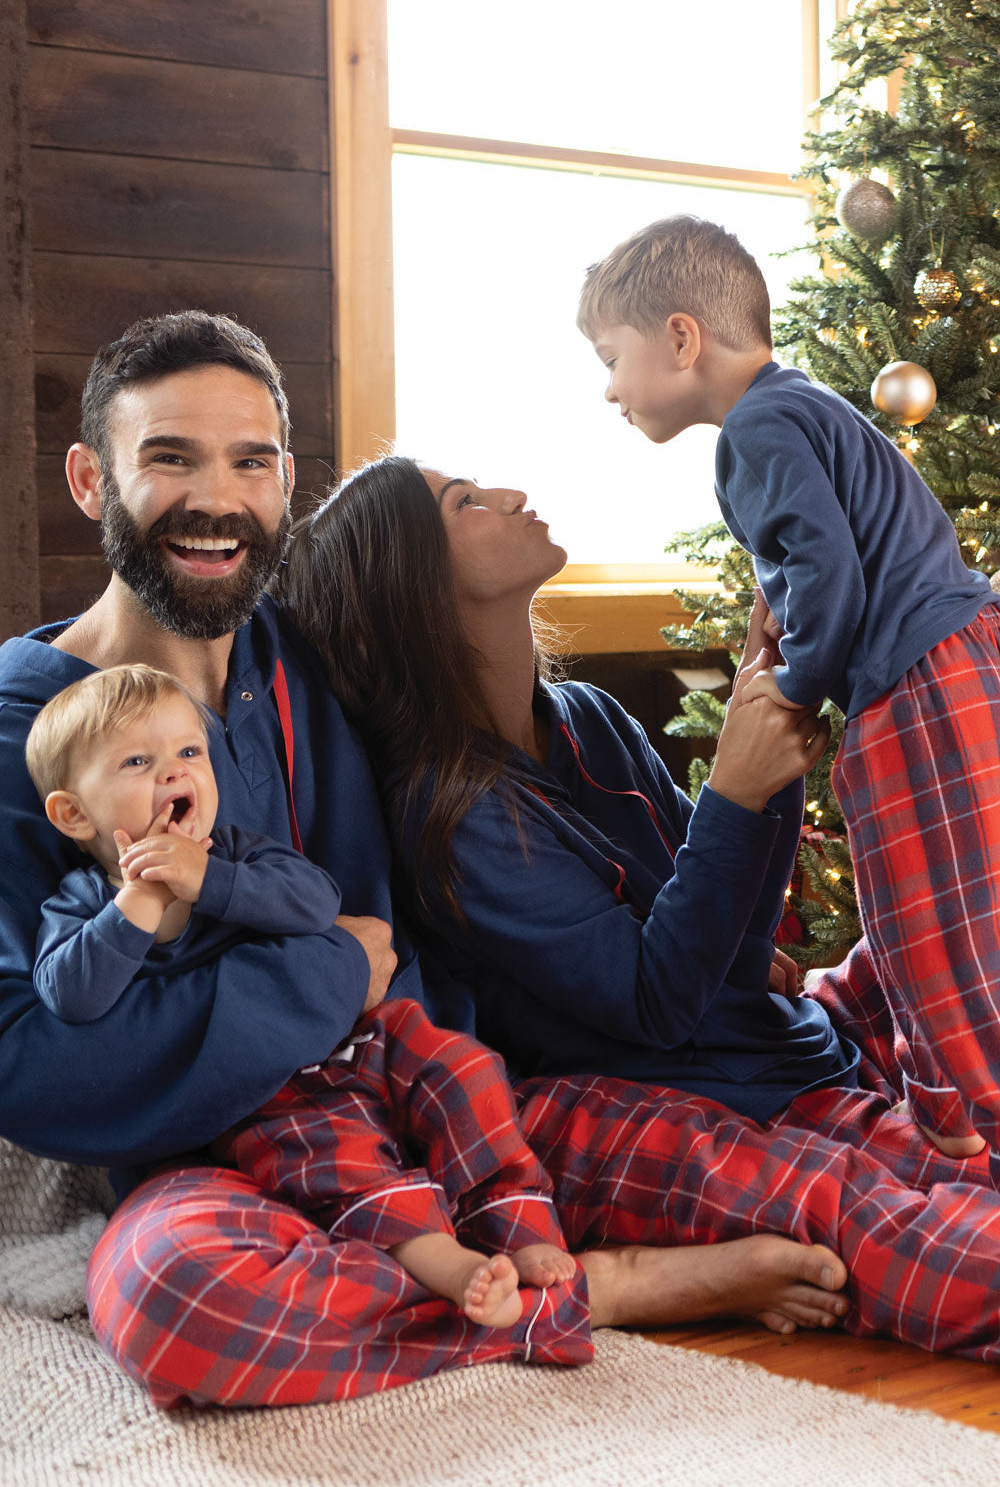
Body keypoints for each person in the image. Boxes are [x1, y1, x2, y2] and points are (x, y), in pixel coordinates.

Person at [0, 310, 849, 1410]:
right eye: (168, 458)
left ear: (282, 482)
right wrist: (322, 975)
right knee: (180, 1299)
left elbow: (422, 884)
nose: (215, 498)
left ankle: (499, 1267)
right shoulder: (30, 730)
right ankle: (594, 1292)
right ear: (88, 479)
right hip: (214, 1150)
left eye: (249, 462)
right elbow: (34, 1066)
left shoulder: (308, 658)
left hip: (436, 1090)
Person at [278, 449, 1000, 1369]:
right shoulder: (453, 813)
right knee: (905, 1201)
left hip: (766, 1038)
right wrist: (736, 796)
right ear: (416, 589)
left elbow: (729, 947)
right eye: (466, 503)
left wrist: (764, 706)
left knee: (938, 945)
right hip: (675, 1093)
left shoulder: (590, 718)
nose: (511, 493)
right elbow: (655, 1005)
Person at [576, 213, 1000, 1175]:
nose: (608, 388)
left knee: (923, 913)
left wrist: (792, 689)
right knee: (975, 898)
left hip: (918, 678)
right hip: (959, 654)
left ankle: (966, 1136)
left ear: (681, 338)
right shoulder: (803, 405)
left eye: (613, 357)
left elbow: (831, 581)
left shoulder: (755, 432)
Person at [25, 661, 578, 1330]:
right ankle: (448, 1265)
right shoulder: (82, 902)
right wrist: (140, 899)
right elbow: (72, 997)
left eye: (190, 751)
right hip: (256, 1100)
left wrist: (212, 880)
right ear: (73, 812)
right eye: (139, 761)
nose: (175, 774)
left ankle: (517, 1219)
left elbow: (318, 901)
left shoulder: (235, 853)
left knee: (464, 1068)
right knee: (333, 1145)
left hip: (353, 1042)